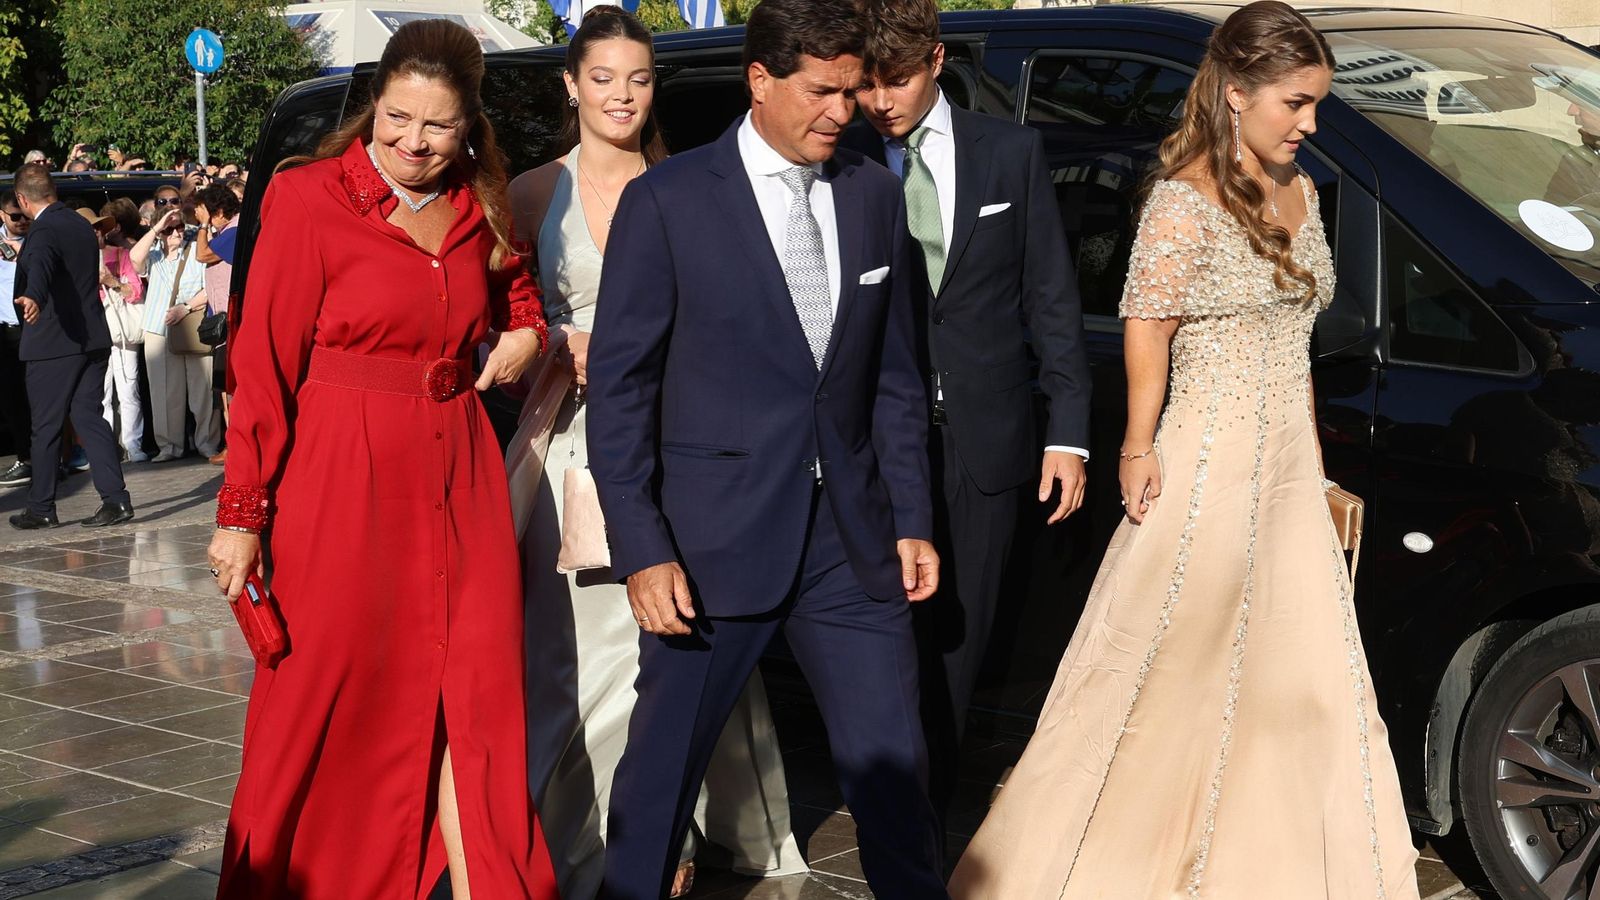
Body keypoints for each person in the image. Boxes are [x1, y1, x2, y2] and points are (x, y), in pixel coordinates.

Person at [947, 4, 1422, 897]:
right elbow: (1146, 328)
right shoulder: (1182, 199)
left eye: (1317, 104)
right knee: (1169, 664)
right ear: (1236, 93)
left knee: (1299, 675)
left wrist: (1314, 467)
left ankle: (1260, 860)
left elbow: (1296, 346)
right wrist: (1136, 448)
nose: (1310, 123)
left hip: (1282, 466)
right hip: (1204, 463)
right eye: (1296, 103)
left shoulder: (1304, 190)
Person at [587, 0, 946, 896]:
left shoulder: (870, 191)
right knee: (661, 780)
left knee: (896, 780)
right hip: (710, 550)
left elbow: (893, 377)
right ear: (760, 81)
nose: (843, 109)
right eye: (822, 90)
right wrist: (644, 547)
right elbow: (622, 393)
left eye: (854, 89)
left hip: (852, 549)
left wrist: (909, 517)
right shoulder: (666, 202)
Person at [204, 19, 558, 899]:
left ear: (468, 127)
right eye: (397, 119)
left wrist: (524, 334)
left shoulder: (483, 203)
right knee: (323, 704)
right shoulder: (308, 195)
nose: (412, 142)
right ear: (374, 108)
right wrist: (242, 515)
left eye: (437, 127)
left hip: (461, 475)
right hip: (339, 478)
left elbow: (518, 297)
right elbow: (263, 365)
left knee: (476, 697)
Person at [506, 8, 803, 897]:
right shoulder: (530, 192)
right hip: (566, 445)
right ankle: (569, 839)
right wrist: (560, 338)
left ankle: (662, 835)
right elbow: (505, 320)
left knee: (667, 644)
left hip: (676, 442)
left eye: (638, 79)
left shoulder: (688, 183)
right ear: (571, 85)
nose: (622, 96)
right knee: (567, 650)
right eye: (603, 78)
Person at [848, 0, 1093, 819]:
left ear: (939, 60)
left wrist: (1068, 435)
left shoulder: (1010, 153)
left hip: (987, 443)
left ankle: (927, 825)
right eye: (869, 84)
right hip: (876, 443)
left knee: (958, 647)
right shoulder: (841, 158)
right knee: (884, 643)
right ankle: (890, 809)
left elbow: (1051, 300)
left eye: (900, 79)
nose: (882, 100)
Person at [7, 164, 133, 528]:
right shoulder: (80, 223)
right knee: (89, 418)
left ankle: (41, 508)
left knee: (45, 427)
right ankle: (116, 500)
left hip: (54, 344)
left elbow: (42, 265)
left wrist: (33, 295)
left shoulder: (44, 229)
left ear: (21, 198)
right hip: (92, 338)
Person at [131, 185, 219, 462]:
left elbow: (211, 286)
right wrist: (157, 228)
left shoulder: (196, 249)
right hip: (159, 329)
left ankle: (207, 443)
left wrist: (186, 306)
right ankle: (169, 447)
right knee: (164, 392)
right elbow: (134, 259)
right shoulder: (154, 255)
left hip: (192, 324)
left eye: (179, 227)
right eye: (170, 230)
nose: (176, 233)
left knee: (202, 390)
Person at [82, 208, 146, 463]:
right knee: (101, 392)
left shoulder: (121, 255)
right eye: (90, 229)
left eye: (98, 228)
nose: (95, 233)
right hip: (90, 329)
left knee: (129, 387)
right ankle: (105, 448)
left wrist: (112, 281)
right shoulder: (72, 260)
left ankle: (133, 444)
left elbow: (136, 292)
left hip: (119, 326)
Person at [195, 181, 240, 462]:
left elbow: (203, 255)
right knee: (224, 388)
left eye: (207, 213)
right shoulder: (227, 230)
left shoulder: (234, 231)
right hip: (223, 323)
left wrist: (202, 227)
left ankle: (237, 444)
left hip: (233, 323)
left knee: (232, 387)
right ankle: (232, 442)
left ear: (220, 210)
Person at [0, 192, 34, 487]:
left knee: (38, 397)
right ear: (2, 215)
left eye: (24, 215)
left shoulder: (38, 240)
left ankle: (46, 459)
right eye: (15, 216)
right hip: (4, 329)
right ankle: (25, 457)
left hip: (32, 327)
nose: (22, 221)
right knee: (12, 398)